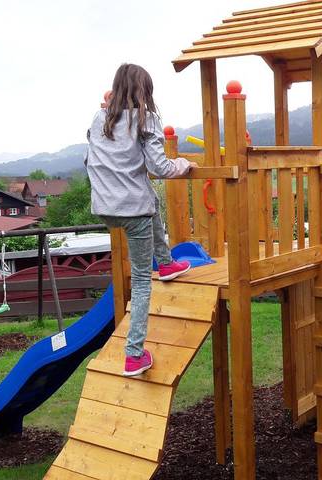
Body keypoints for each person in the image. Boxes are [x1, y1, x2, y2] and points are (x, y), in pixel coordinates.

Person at [86, 64, 197, 377]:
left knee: (152, 201)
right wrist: (184, 164)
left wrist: (108, 106)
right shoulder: (146, 119)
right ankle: (134, 354)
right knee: (140, 280)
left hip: (106, 207)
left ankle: (166, 262)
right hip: (132, 210)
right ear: (144, 92)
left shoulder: (99, 118)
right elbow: (160, 167)